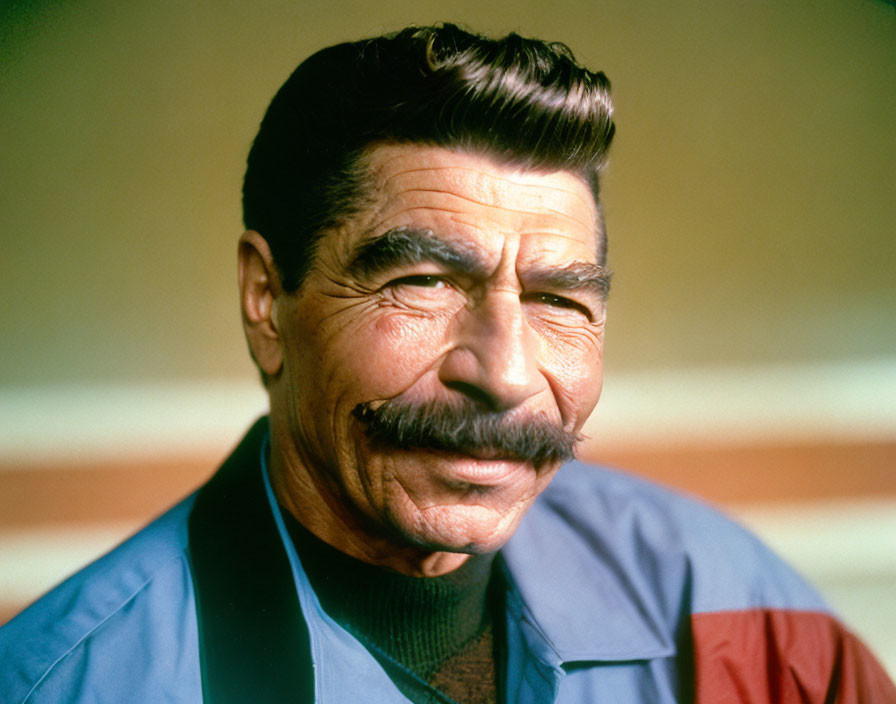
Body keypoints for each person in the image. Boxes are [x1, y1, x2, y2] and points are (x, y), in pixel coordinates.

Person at [1, 23, 893, 704]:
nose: (503, 374)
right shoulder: (74, 682)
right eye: (422, 281)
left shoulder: (733, 607)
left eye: (557, 300)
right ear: (266, 300)